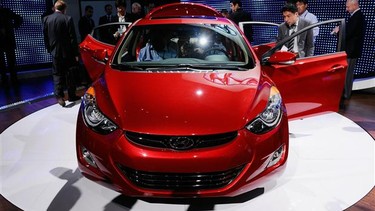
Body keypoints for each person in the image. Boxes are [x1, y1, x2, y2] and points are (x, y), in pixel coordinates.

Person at [43, 0, 81, 107]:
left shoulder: (46, 19)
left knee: (57, 74)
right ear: (64, 9)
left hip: (55, 52)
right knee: (70, 74)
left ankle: (59, 96)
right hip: (68, 52)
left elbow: (45, 37)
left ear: (55, 8)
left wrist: (49, 50)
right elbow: (72, 38)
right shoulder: (68, 19)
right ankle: (71, 95)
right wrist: (76, 54)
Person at [333, 0, 366, 106]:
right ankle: (346, 93)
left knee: (348, 74)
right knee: (348, 74)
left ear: (355, 5)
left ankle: (346, 94)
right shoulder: (357, 16)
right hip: (351, 51)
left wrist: (339, 31)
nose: (346, 9)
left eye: (348, 7)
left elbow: (348, 34)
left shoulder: (357, 17)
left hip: (351, 51)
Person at [0, 4, 23, 85]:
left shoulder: (7, 11)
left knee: (9, 62)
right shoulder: (7, 11)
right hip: (7, 40)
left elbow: (19, 19)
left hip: (8, 41)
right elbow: (19, 19)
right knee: (7, 62)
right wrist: (13, 27)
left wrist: (13, 27)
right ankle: (11, 79)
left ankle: (8, 80)